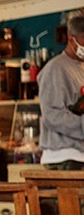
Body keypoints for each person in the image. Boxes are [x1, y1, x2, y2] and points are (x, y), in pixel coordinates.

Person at [38, 15, 84, 170]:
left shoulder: (81, 67)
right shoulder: (55, 69)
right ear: (71, 40)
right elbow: (52, 115)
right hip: (63, 158)